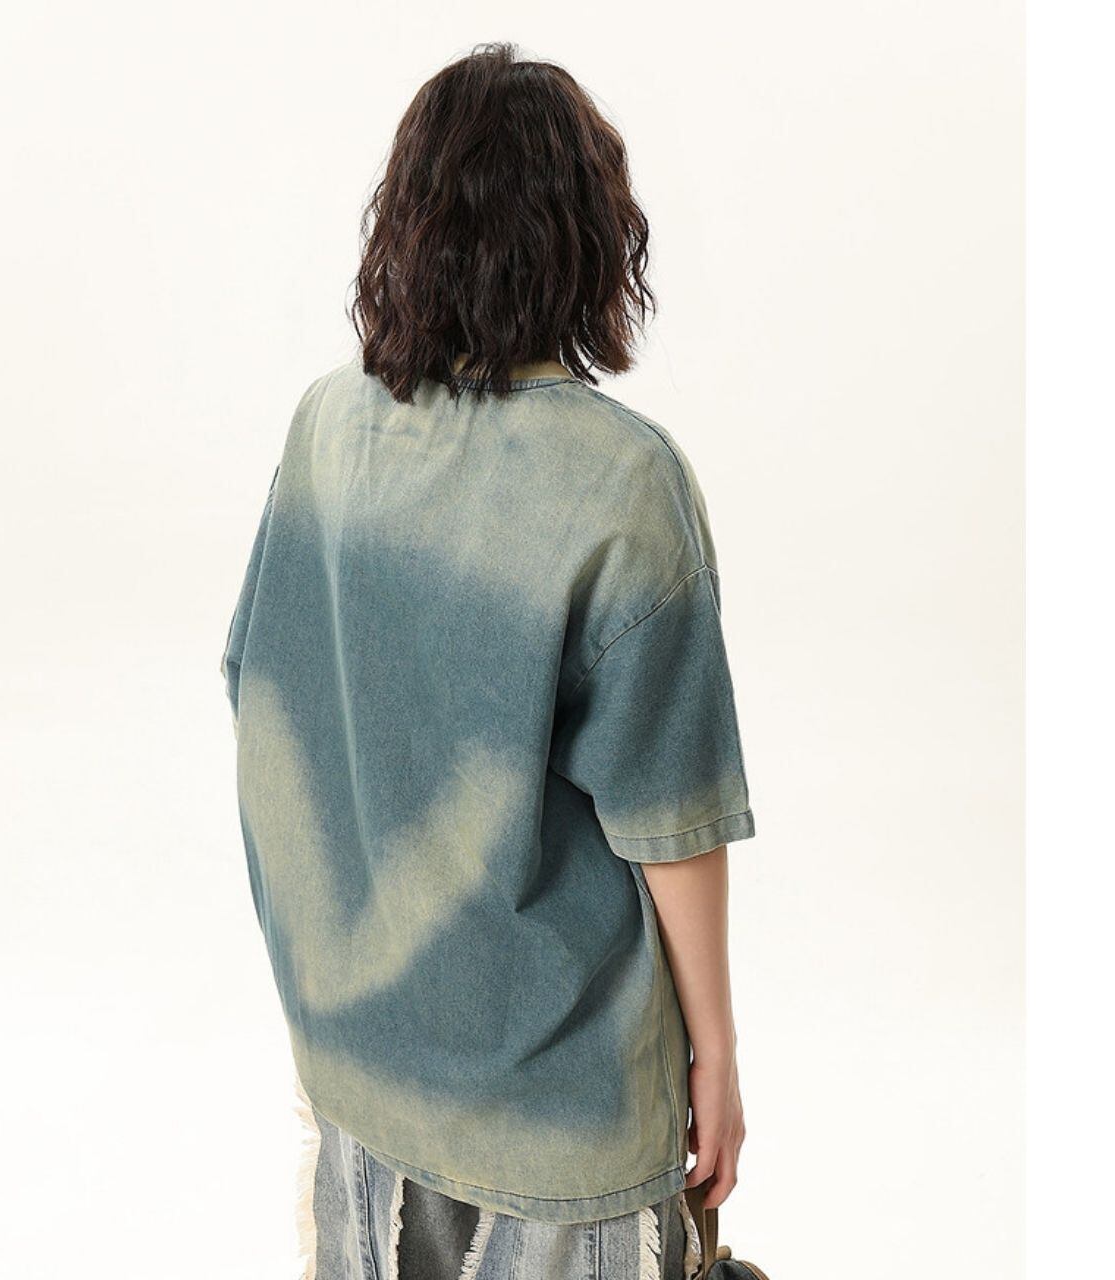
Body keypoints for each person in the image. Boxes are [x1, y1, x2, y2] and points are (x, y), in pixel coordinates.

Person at [222, 42, 754, 1280]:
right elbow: (668, 816)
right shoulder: (621, 480)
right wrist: (715, 1050)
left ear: (406, 226)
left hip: (356, 1071)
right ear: (588, 239)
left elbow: (262, 698)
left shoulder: (326, 424)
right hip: (559, 1109)